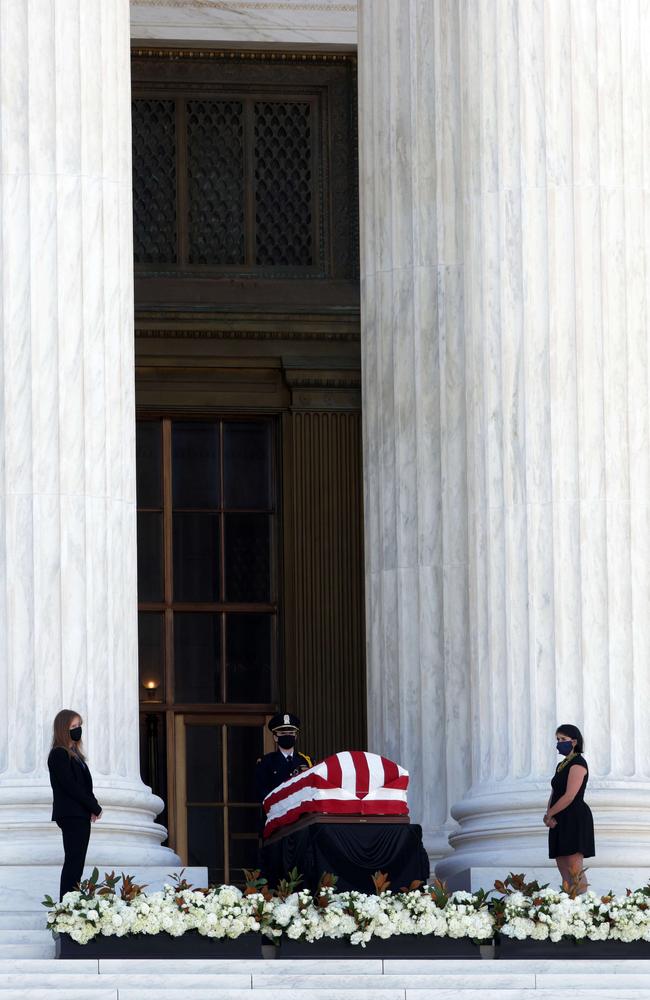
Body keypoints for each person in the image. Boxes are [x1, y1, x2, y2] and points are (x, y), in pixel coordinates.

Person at [48, 710, 102, 900]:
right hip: (71, 815)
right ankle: (66, 908)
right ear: (63, 729)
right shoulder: (59, 754)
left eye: (79, 725)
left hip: (79, 813)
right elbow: (71, 786)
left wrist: (91, 805)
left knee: (77, 862)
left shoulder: (75, 755)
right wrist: (94, 807)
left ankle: (71, 904)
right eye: (73, 727)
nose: (77, 730)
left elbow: (85, 786)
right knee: (73, 862)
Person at [544, 723, 594, 894]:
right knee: (563, 867)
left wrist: (551, 813)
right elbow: (555, 792)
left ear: (574, 741)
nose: (559, 742)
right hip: (559, 819)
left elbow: (570, 795)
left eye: (563, 739)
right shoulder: (561, 765)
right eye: (557, 739)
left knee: (574, 869)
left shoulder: (578, 763)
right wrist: (548, 814)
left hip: (574, 817)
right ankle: (570, 908)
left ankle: (584, 909)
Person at [255, 712, 313, 803]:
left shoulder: (305, 761)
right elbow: (261, 792)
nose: (287, 736)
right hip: (276, 813)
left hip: (301, 813)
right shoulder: (266, 762)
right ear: (275, 737)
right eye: (283, 733)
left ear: (295, 736)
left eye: (291, 733)